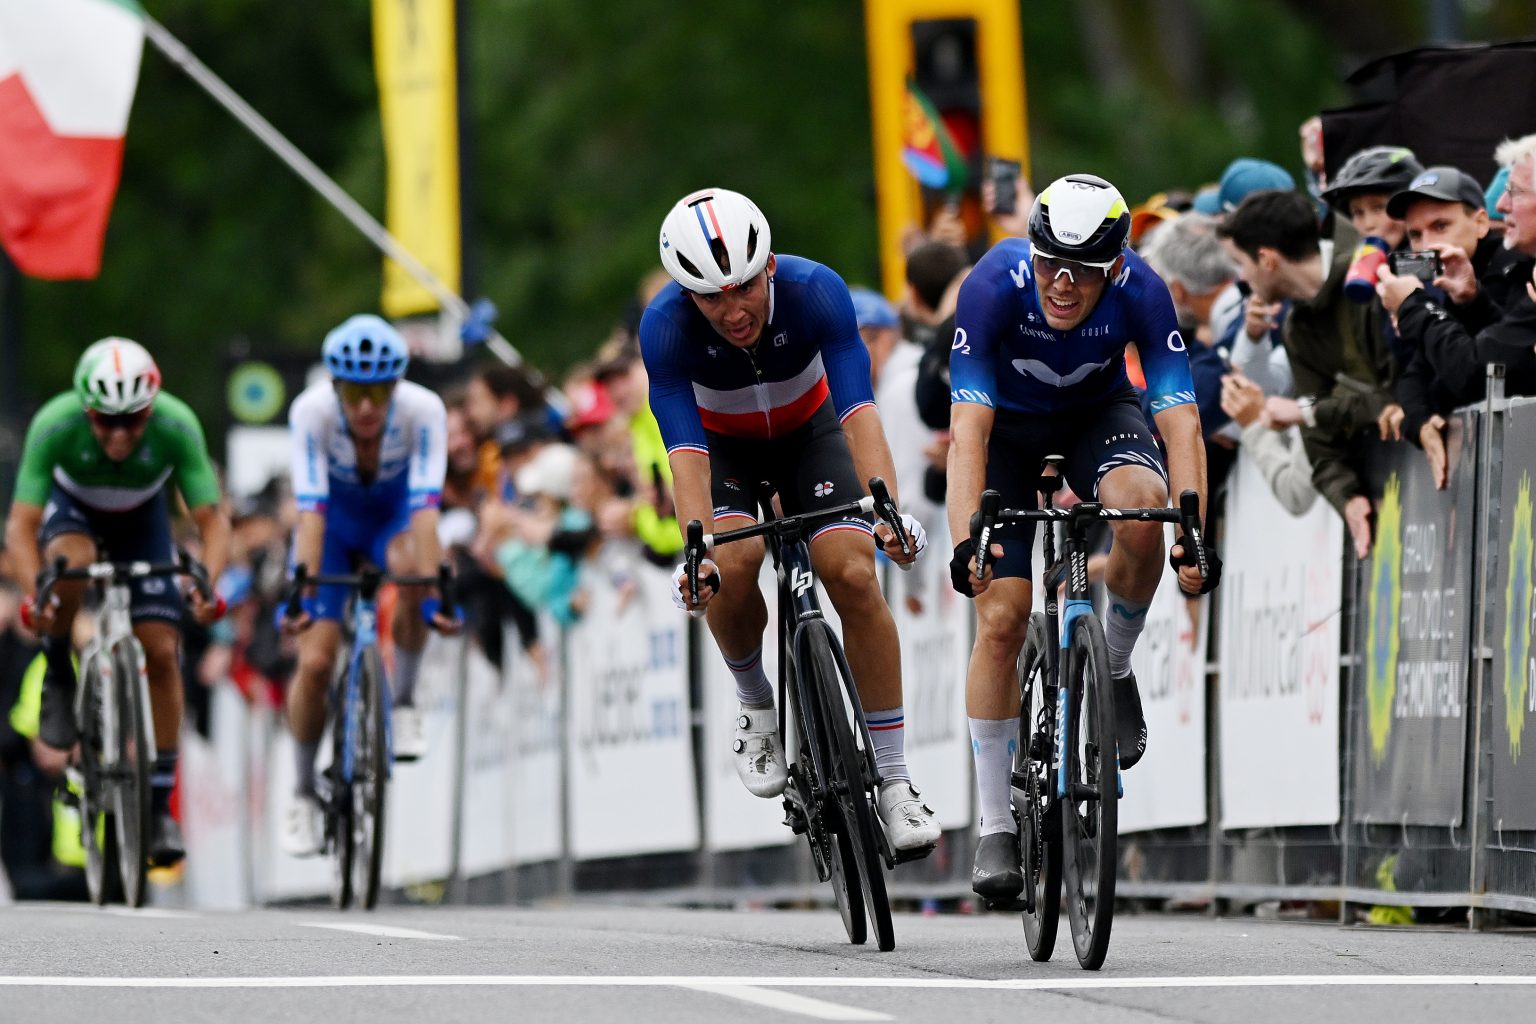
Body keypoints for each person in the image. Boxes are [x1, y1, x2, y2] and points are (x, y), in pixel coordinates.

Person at [640, 187, 940, 854]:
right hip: (724, 453)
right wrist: (699, 554)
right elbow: (684, 452)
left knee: (853, 573)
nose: (732, 309)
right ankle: (755, 703)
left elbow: (860, 408)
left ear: (768, 265)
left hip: (813, 435)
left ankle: (894, 783)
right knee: (734, 562)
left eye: (743, 286)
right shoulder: (664, 327)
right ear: (686, 294)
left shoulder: (816, 291)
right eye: (711, 296)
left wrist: (886, 504)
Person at [945, 173, 1217, 900]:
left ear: (1116, 267)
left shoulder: (1144, 290)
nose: (1063, 285)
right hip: (1006, 431)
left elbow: (1182, 420)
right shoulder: (991, 284)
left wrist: (1193, 531)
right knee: (1000, 620)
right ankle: (996, 825)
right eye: (1049, 266)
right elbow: (966, 432)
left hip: (1098, 417)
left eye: (1084, 272)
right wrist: (967, 540)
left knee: (1146, 507)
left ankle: (1116, 666)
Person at [3, 337, 231, 868]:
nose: (121, 434)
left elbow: (214, 521)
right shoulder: (55, 425)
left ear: (152, 409)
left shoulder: (177, 425)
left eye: (134, 420)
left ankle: (158, 801)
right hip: (74, 514)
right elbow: (21, 525)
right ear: (86, 411)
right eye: (105, 422)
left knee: (161, 649)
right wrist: (37, 593)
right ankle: (60, 674)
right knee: (71, 563)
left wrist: (206, 584)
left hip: (141, 520)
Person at [280, 314, 459, 856]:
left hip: (392, 521)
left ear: (396, 386)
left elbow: (426, 511)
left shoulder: (423, 410)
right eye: (355, 391)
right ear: (335, 386)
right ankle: (304, 790)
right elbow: (310, 513)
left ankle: (402, 702)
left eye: (378, 391)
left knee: (411, 567)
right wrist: (302, 596)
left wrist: (433, 596)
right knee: (314, 663)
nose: (365, 407)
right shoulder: (309, 412)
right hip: (331, 527)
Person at [1217, 189, 1396, 560]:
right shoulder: (1298, 328)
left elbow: (1391, 397)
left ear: (1266, 259)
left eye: (1241, 263)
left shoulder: (1373, 280)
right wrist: (1346, 497)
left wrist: (1306, 410)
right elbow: (1320, 445)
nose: (1242, 278)